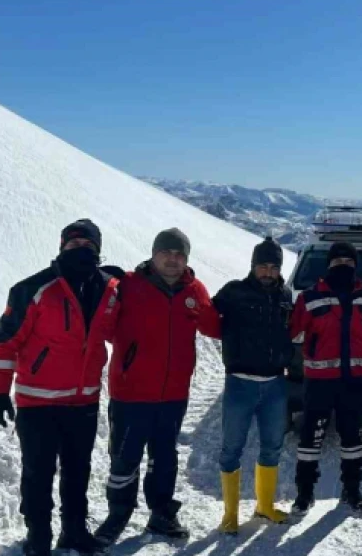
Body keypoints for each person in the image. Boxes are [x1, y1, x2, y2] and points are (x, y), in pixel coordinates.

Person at [0, 219, 122, 556]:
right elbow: (5, 344)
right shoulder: (32, 289)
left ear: (97, 250)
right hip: (38, 403)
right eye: (73, 244)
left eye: (88, 245)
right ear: (62, 248)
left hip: (83, 401)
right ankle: (39, 537)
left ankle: (74, 531)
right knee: (38, 474)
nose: (81, 250)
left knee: (78, 471)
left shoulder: (109, 290)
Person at [94, 228, 221, 545]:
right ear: (153, 254)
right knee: (124, 459)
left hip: (173, 394)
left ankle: (161, 513)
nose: (172, 259)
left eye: (179, 254)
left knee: (164, 457)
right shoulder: (128, 286)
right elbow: (105, 329)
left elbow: (214, 326)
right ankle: (118, 515)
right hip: (130, 393)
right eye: (166, 252)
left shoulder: (194, 290)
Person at [289, 242, 362, 516]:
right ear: (328, 265)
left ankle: (352, 490)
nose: (343, 265)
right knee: (310, 438)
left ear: (355, 265)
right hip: (318, 382)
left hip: (354, 382)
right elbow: (292, 334)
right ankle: (304, 494)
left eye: (348, 261)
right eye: (337, 261)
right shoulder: (309, 297)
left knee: (352, 438)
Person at [212, 236, 295, 535]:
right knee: (231, 448)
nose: (268, 272)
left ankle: (264, 505)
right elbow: (207, 318)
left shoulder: (285, 295)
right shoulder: (233, 292)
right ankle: (230, 514)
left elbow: (294, 330)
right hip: (240, 384)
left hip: (275, 384)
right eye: (263, 266)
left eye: (274, 267)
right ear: (253, 266)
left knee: (272, 447)